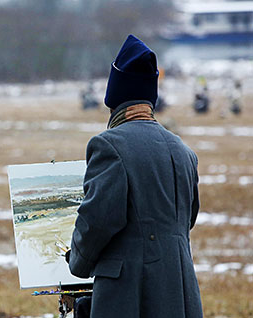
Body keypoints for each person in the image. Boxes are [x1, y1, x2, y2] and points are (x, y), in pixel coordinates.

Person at [67, 35, 203, 318]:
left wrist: (76, 261)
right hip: (181, 294)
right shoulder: (185, 152)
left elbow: (98, 221)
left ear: (114, 99)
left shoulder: (109, 146)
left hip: (131, 297)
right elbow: (186, 220)